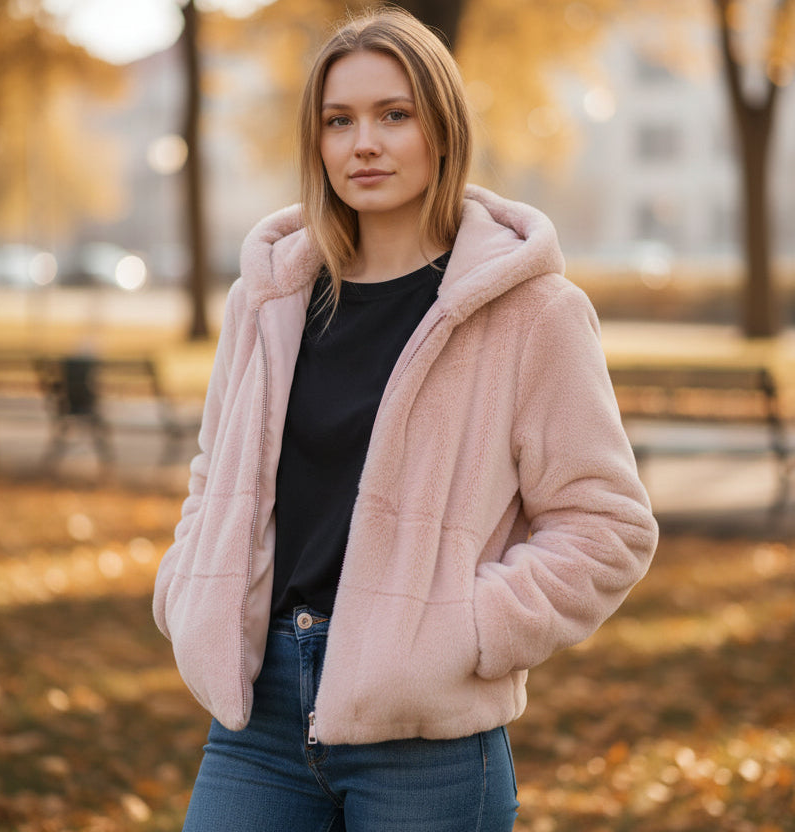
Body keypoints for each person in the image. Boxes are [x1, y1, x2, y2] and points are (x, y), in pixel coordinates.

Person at [153, 6, 659, 831]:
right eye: (338, 120)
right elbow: (215, 477)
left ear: (443, 129)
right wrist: (187, 590)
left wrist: (458, 632)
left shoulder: (534, 315)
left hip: (425, 743)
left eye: (394, 115)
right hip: (260, 714)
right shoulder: (269, 301)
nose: (364, 143)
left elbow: (608, 527)